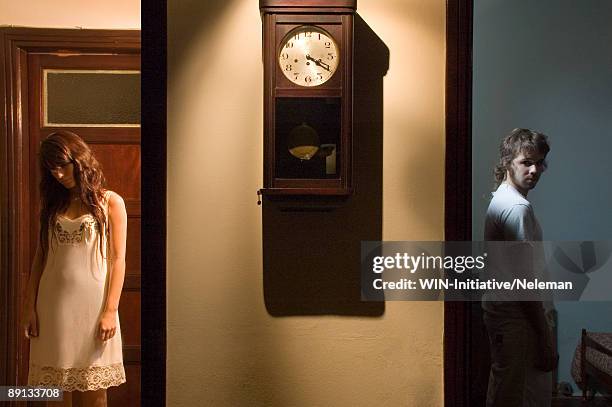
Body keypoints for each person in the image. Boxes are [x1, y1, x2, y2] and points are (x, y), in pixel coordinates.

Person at [21, 130, 127, 407]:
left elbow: (119, 260)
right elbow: (39, 258)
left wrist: (110, 310)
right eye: (51, 169)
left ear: (78, 159)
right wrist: (29, 306)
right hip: (52, 308)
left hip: (94, 309)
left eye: (62, 165)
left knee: (94, 392)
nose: (57, 174)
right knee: (54, 395)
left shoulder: (110, 202)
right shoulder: (53, 205)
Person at [482, 128, 558, 407]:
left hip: (503, 311)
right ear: (508, 162)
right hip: (516, 316)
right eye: (526, 162)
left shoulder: (501, 197)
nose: (535, 170)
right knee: (519, 395)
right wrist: (544, 335)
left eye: (539, 163)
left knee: (505, 389)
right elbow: (523, 280)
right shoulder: (516, 208)